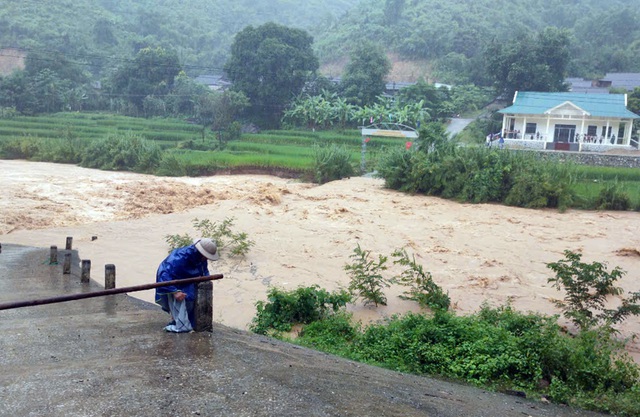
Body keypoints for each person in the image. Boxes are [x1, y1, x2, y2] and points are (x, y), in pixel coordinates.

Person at [155, 238, 220, 333]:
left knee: (192, 299)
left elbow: (204, 270)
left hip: (189, 279)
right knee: (183, 300)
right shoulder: (179, 257)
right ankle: (180, 324)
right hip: (173, 280)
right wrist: (174, 291)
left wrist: (207, 279)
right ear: (200, 252)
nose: (206, 258)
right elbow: (164, 274)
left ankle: (189, 322)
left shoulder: (201, 258)